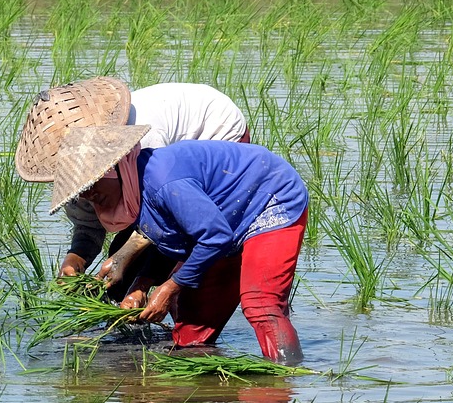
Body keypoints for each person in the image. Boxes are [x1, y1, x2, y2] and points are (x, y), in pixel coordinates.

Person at [18, 123, 309, 365]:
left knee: (260, 303)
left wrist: (168, 289)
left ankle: (285, 381)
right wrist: (141, 287)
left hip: (270, 199)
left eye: (94, 183)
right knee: (191, 335)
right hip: (224, 219)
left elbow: (215, 237)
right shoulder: (137, 190)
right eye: (83, 190)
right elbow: (173, 240)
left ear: (114, 168)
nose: (90, 194)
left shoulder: (163, 182)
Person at [16, 78, 250, 306]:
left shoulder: (143, 143)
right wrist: (75, 259)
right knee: (122, 281)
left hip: (213, 140)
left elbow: (166, 220)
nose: (84, 195)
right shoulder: (73, 177)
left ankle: (183, 323)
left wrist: (127, 262)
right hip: (146, 182)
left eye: (89, 184)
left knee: (179, 263)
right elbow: (88, 226)